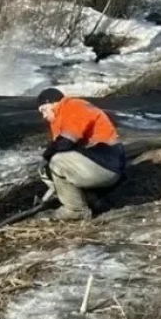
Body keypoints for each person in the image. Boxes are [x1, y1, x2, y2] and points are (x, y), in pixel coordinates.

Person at [35, 87, 127, 220]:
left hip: (106, 164)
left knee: (57, 161)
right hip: (102, 164)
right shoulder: (59, 119)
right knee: (48, 165)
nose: (44, 116)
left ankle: (75, 209)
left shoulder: (73, 106)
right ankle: (90, 200)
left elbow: (65, 142)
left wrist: (46, 157)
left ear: (53, 103)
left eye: (44, 110)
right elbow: (58, 146)